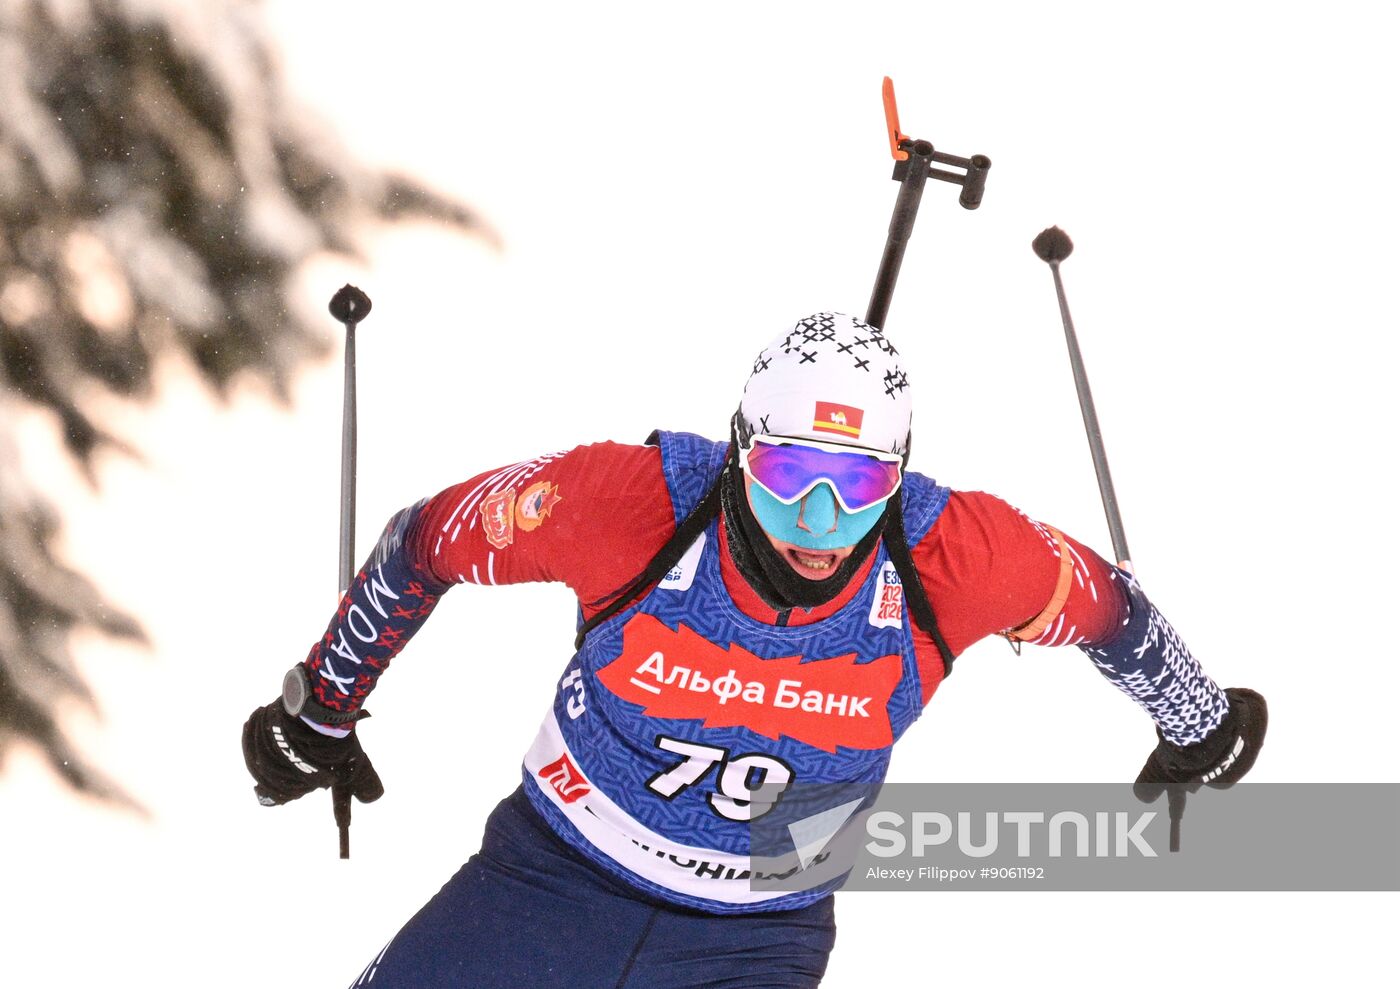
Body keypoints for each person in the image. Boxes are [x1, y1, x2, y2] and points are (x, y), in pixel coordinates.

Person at [243, 312, 1266, 988]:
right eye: (787, 473)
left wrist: (1198, 724)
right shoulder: (628, 503)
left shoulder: (952, 553)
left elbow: (1107, 613)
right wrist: (319, 707)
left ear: (899, 476)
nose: (816, 520)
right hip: (546, 883)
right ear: (737, 447)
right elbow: (428, 538)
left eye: (856, 485)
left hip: (755, 934)